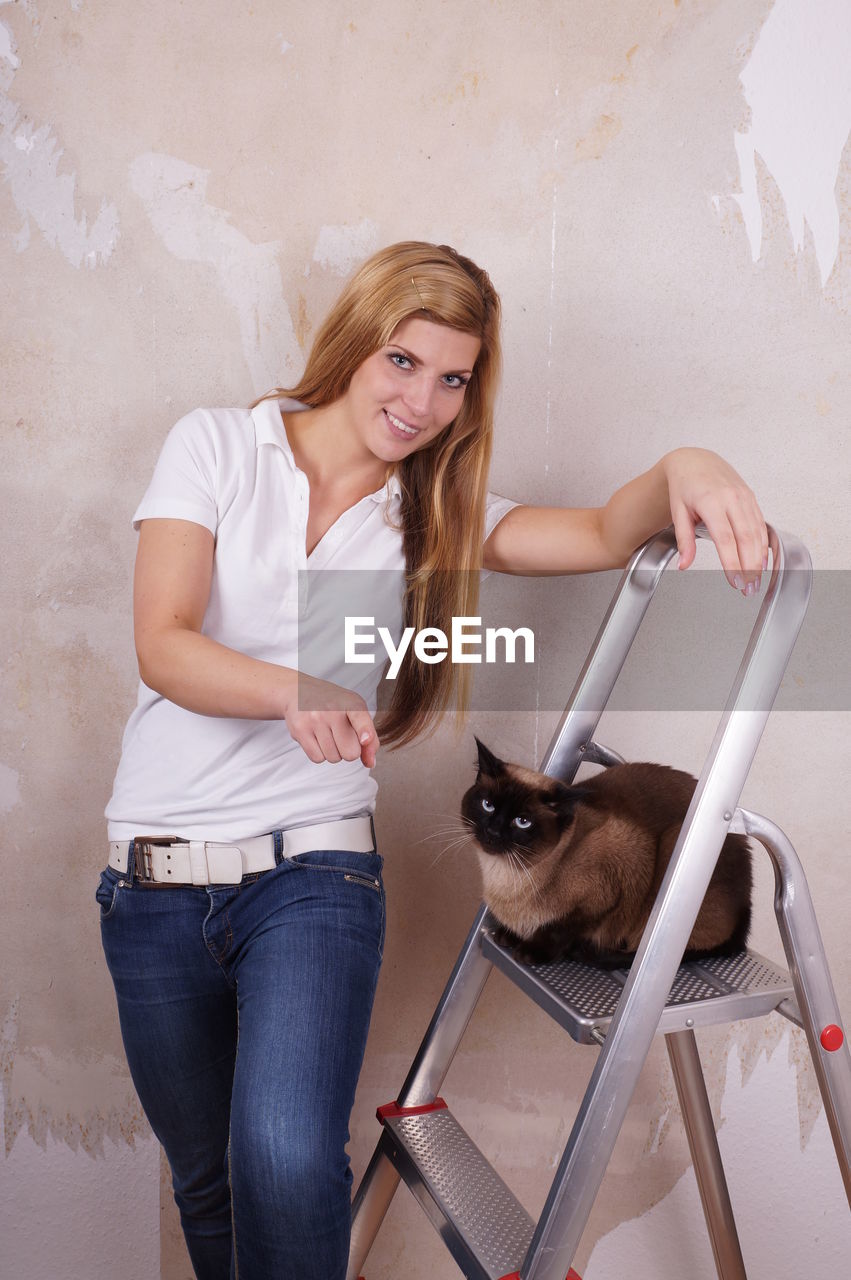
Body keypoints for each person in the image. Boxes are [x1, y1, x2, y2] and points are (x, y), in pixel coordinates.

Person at [97, 241, 767, 1280]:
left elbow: (598, 526)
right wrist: (293, 687)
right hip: (153, 881)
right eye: (403, 361)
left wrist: (690, 466)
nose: (422, 400)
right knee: (208, 1180)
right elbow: (163, 638)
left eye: (453, 378)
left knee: (284, 1158)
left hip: (311, 878)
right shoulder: (218, 447)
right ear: (356, 343)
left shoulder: (431, 518)